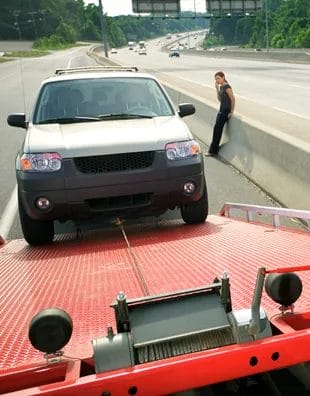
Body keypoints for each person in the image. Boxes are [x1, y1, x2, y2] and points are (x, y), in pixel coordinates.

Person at [207, 71, 235, 156]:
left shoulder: (227, 87)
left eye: (218, 78)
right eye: (216, 79)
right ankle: (213, 150)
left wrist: (231, 112)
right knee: (216, 129)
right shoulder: (222, 87)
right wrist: (217, 88)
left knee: (217, 130)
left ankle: (213, 151)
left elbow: (233, 99)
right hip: (221, 109)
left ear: (223, 77)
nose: (217, 80)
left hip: (225, 111)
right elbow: (220, 99)